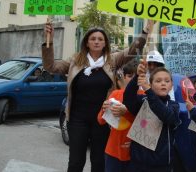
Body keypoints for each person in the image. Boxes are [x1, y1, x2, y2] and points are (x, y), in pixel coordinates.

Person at [42, 20, 153, 172]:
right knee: (75, 162)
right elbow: (50, 66)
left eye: (100, 39)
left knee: (99, 162)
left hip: (102, 119)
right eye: (93, 39)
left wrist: (145, 32)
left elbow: (133, 49)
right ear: (87, 42)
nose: (96, 41)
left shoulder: (112, 60)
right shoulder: (75, 61)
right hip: (77, 119)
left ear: (105, 43)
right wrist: (48, 41)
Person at [123, 64, 180, 172]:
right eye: (158, 81)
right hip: (137, 161)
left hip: (161, 164)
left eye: (167, 81)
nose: (163, 83)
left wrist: (148, 91)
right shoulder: (143, 100)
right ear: (151, 84)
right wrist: (137, 76)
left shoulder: (173, 105)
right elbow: (128, 99)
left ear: (171, 85)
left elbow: (167, 115)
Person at [97, 62, 136, 172]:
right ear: (123, 77)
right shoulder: (116, 94)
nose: (132, 79)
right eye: (129, 76)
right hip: (113, 150)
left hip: (134, 151)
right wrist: (103, 109)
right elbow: (100, 121)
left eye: (135, 76)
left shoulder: (143, 95)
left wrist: (126, 112)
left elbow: (144, 123)